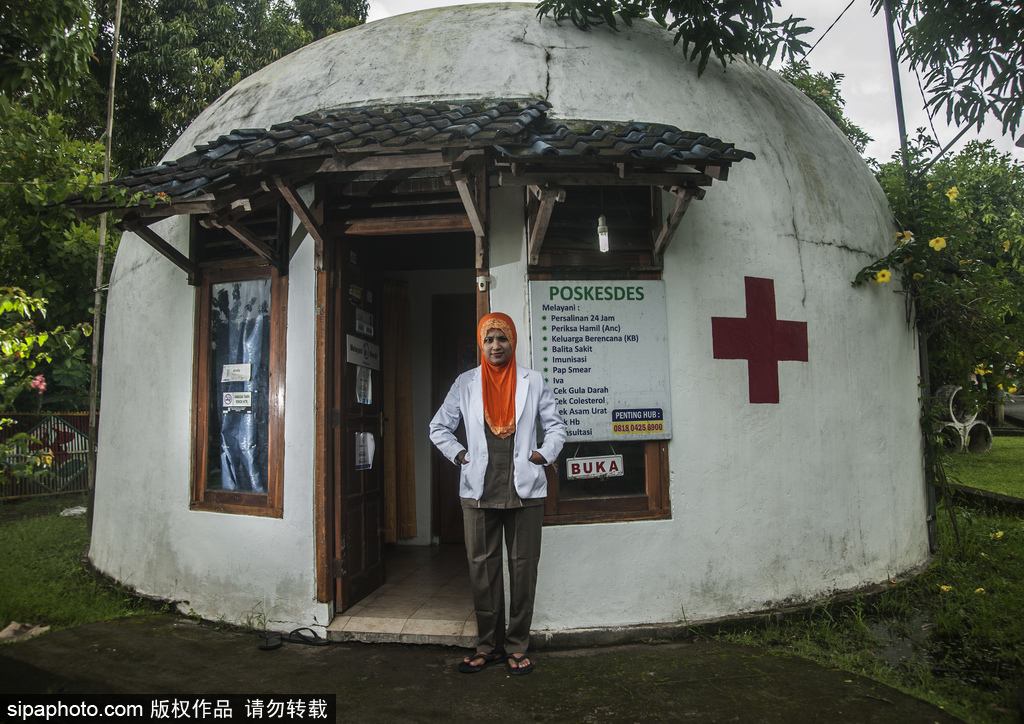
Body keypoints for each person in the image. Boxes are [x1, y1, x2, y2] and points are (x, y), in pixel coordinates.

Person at [429, 312, 566, 676]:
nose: (495, 346)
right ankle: (488, 645)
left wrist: (542, 454)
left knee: (523, 570)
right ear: (480, 344)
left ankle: (518, 645)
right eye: (488, 339)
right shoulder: (466, 383)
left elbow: (556, 427)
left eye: (501, 338)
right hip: (479, 489)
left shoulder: (533, 381)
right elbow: (439, 427)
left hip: (525, 491)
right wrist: (460, 454)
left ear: (512, 341)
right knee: (483, 571)